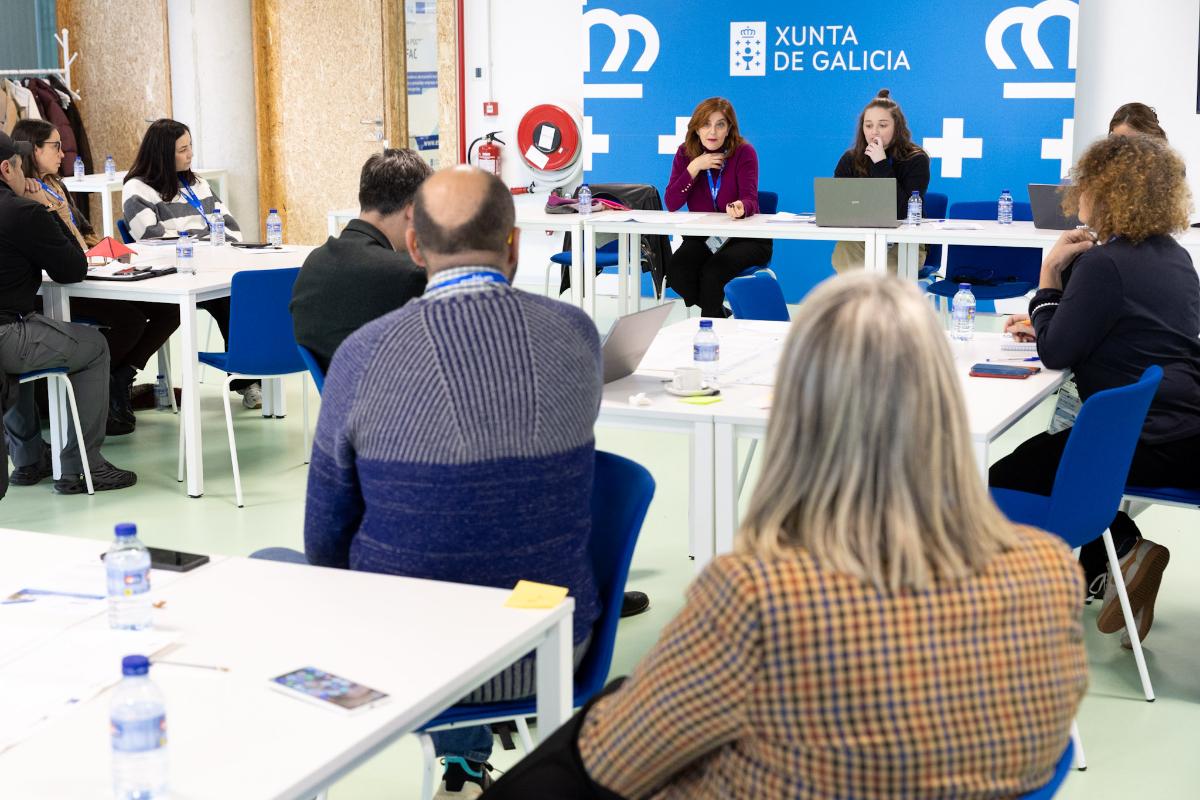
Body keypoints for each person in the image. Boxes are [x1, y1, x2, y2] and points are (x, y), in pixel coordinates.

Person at [483, 273, 1087, 800]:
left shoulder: (761, 596)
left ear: (798, 406)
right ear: (944, 402)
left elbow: (610, 764)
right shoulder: (1048, 570)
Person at [302, 166, 601, 797]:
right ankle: (470, 760)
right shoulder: (576, 334)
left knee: (270, 567)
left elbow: (324, 539)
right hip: (552, 652)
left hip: (407, 666)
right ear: (514, 245)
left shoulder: (363, 355)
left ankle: (459, 763)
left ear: (414, 246)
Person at [994, 134, 1195, 647]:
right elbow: (1126, 329)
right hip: (1185, 433)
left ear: (1107, 192)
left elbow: (1056, 351)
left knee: (1004, 476)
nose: (1076, 195)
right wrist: (1054, 319)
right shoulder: (1175, 256)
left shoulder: (1104, 264)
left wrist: (1049, 275)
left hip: (1140, 442)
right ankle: (1117, 566)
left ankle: (1125, 549)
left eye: (1083, 185)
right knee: (1053, 458)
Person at [12, 119, 178, 434]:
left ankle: (120, 375)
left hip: (88, 273)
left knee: (168, 309)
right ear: (34, 150)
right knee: (130, 320)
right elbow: (52, 250)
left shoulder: (57, 185)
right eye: (55, 146)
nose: (63, 154)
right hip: (58, 285)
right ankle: (96, 386)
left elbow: (83, 232)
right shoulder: (24, 195)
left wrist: (108, 251)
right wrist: (48, 211)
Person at [0, 131, 136, 493]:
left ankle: (28, 459)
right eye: (20, 167)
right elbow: (73, 268)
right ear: (6, 170)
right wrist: (45, 207)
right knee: (94, 347)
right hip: (8, 333)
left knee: (16, 357)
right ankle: (82, 466)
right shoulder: (22, 212)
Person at [121, 118, 261, 409]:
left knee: (240, 296)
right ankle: (246, 379)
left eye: (190, 146)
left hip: (209, 268)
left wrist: (190, 237)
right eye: (182, 150)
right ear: (163, 154)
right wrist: (206, 237)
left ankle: (246, 377)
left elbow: (231, 229)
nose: (190, 154)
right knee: (227, 301)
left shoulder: (197, 183)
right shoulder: (137, 189)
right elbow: (151, 237)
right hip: (171, 276)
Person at [290, 148, 430, 373]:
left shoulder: (314, 263)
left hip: (337, 393)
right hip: (392, 393)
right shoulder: (408, 275)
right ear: (412, 210)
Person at [663, 97, 771, 318]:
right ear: (696, 128)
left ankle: (709, 328)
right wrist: (694, 167)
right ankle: (719, 314)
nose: (712, 132)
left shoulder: (744, 152)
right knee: (678, 272)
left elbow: (750, 198)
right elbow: (672, 203)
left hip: (745, 238)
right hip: (709, 239)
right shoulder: (685, 153)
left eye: (720, 125)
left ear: (729, 128)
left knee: (713, 272)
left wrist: (742, 206)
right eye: (706, 124)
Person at [831, 89, 930, 272]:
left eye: (882, 125)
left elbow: (903, 210)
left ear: (897, 127)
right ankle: (860, 290)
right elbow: (838, 207)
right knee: (845, 250)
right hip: (861, 239)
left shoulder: (916, 159)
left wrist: (880, 163)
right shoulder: (850, 159)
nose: (874, 132)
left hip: (904, 241)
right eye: (868, 126)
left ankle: (869, 290)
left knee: (878, 270)